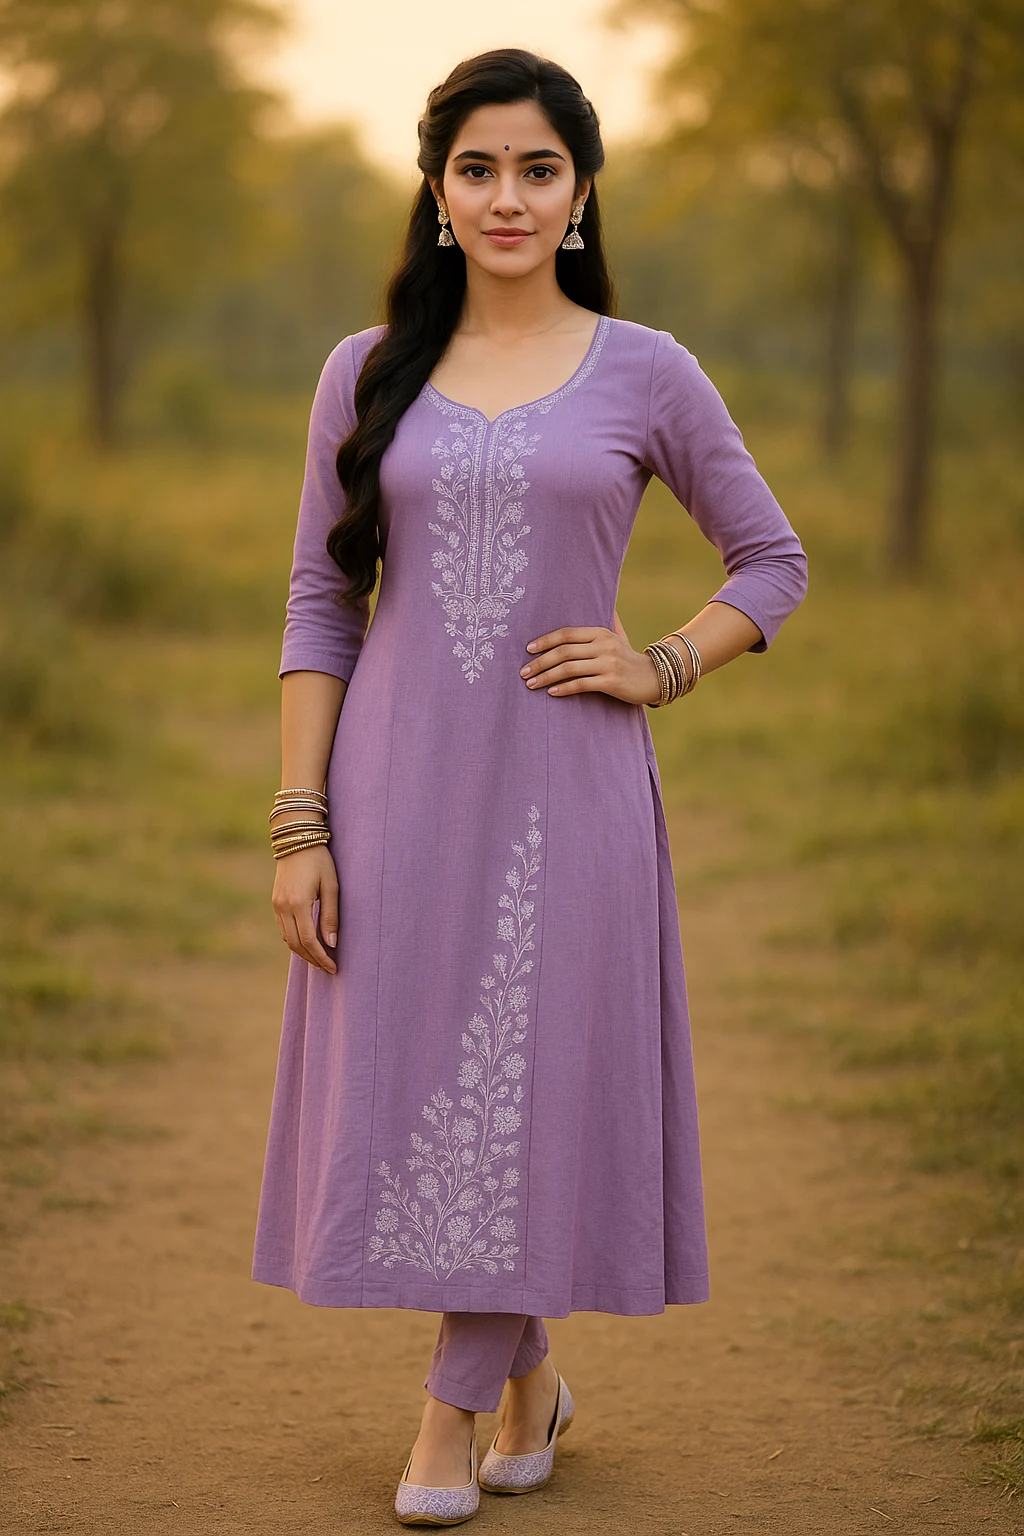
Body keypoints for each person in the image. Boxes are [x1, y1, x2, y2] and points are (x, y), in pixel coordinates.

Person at [252, 46, 808, 1528]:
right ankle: (533, 1379)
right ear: (437, 192)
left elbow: (773, 560)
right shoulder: (365, 371)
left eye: (538, 169)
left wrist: (662, 663)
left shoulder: (646, 369)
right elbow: (319, 602)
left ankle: (449, 1410)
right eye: (479, 168)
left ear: (582, 192)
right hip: (398, 787)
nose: (508, 196)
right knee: (438, 1074)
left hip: (571, 789)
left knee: (532, 1066)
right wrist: (301, 823)